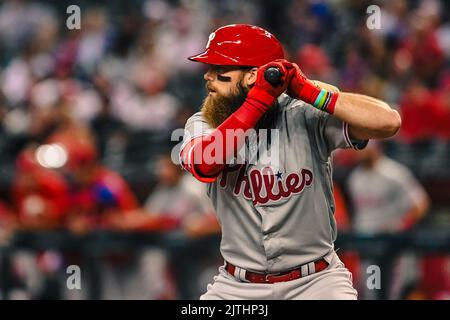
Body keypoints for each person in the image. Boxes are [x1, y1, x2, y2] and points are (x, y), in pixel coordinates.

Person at [179, 24, 401, 300]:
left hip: (317, 281)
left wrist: (310, 92)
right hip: (237, 286)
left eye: (219, 70)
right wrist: (259, 100)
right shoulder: (203, 123)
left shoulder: (304, 113)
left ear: (253, 75)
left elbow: (388, 123)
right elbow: (205, 164)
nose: (208, 77)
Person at [347, 140, 430, 299]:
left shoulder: (394, 173)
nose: (361, 151)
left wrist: (398, 226)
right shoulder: (355, 177)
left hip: (393, 251)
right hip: (368, 251)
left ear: (377, 148)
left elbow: (421, 204)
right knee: (372, 294)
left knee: (393, 294)